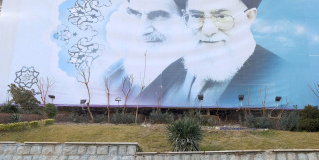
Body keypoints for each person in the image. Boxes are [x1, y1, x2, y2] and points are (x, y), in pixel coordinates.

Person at [146, 0, 287, 108]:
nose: (207, 29)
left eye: (221, 16)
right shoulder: (173, 70)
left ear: (249, 17)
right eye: (196, 15)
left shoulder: (277, 71)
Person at [103, 0, 192, 106]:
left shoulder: (196, 82)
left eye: (159, 15)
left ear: (186, 19)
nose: (142, 29)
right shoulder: (111, 75)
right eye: (135, 13)